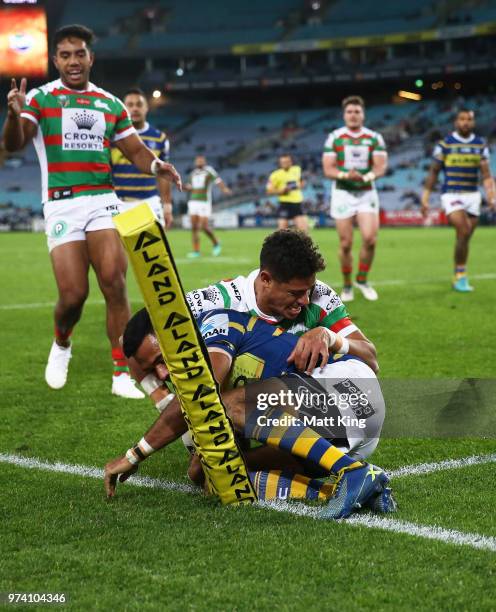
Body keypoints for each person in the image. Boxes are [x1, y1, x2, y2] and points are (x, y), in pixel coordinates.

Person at [2, 24, 181, 398]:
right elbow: (15, 144)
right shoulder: (40, 98)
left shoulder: (109, 103)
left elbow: (134, 150)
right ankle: (62, 342)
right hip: (62, 201)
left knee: (114, 282)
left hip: (103, 199)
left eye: (79, 54)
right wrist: (13, 116)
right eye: (65, 55)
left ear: (90, 57)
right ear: (55, 60)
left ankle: (121, 371)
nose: (73, 61)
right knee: (73, 295)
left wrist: (156, 166)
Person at [104, 307, 394, 518]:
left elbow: (205, 397)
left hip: (347, 387)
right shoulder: (194, 351)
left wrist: (134, 455)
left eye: (160, 360)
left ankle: (352, 472)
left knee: (224, 405)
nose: (163, 373)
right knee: (212, 474)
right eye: (152, 370)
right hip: (340, 429)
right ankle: (349, 490)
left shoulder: (214, 326)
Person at [129, 230, 378, 404]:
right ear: (266, 280)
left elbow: (370, 359)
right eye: (295, 293)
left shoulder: (319, 296)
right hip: (235, 412)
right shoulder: (217, 301)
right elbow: (127, 339)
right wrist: (162, 399)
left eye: (308, 290)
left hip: (292, 408)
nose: (304, 301)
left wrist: (330, 336)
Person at [421, 109, 496, 292]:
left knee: (464, 238)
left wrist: (491, 195)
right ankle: (461, 276)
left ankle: (458, 271)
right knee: (463, 230)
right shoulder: (445, 144)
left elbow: (486, 175)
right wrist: (425, 197)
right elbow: (433, 172)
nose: (465, 122)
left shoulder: (480, 145)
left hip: (472, 195)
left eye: (469, 119)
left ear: (473, 122)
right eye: (462, 119)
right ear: (456, 122)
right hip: (452, 194)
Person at [322, 95, 388, 303]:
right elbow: (328, 168)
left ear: (363, 114)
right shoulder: (335, 137)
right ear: (344, 115)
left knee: (370, 239)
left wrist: (366, 176)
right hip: (342, 193)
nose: (353, 115)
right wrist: (345, 175)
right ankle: (348, 284)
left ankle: (362, 280)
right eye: (349, 112)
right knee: (346, 243)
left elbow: (380, 166)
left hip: (366, 192)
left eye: (357, 112)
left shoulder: (374, 137)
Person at [111, 87, 173, 228]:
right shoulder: (112, 137)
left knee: (156, 250)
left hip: (149, 202)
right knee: (120, 250)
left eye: (139, 105)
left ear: (147, 108)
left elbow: (163, 176)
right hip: (120, 203)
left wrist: (167, 206)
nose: (135, 109)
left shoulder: (159, 138)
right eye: (130, 105)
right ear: (123, 108)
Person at [184, 155, 231, 258]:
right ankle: (196, 251)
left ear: (204, 161)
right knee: (194, 228)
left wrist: (224, 189)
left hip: (204, 202)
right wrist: (185, 187)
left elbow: (218, 180)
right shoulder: (192, 174)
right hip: (193, 202)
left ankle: (216, 243)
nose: (199, 162)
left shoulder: (209, 171)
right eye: (197, 160)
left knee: (203, 227)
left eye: (201, 160)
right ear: (195, 162)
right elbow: (191, 187)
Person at [266, 154, 308, 232]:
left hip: (297, 203)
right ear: (280, 163)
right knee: (282, 230)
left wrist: (297, 186)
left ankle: (299, 244)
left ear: (291, 162)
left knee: (303, 231)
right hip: (284, 203)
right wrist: (281, 191)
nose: (285, 163)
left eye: (287, 162)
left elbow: (302, 183)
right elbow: (269, 191)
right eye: (283, 162)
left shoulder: (297, 169)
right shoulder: (275, 175)